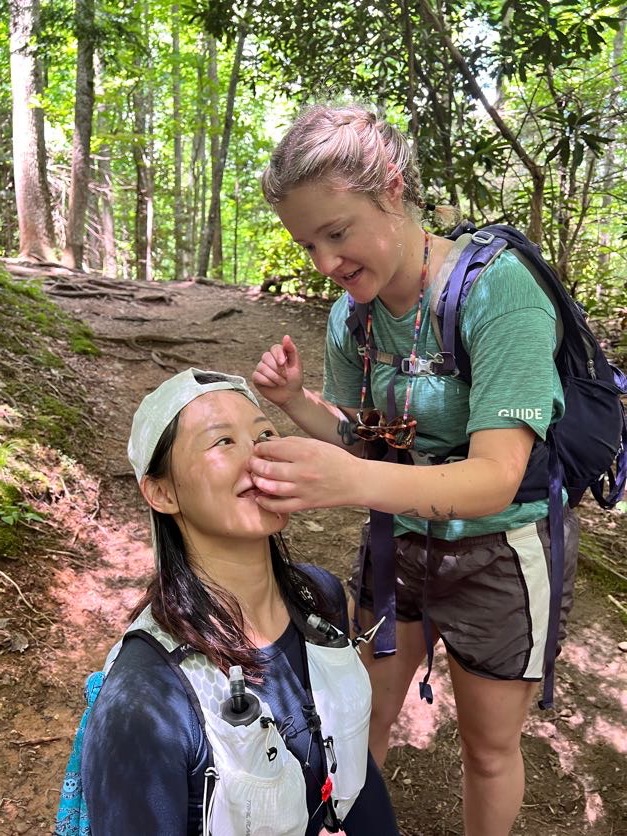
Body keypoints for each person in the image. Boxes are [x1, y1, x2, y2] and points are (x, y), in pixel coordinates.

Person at [249, 104, 579, 836]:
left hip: (502, 551)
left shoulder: (500, 292)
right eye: (307, 245)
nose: (325, 264)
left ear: (392, 190)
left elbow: (494, 475)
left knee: (487, 746)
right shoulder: (352, 318)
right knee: (358, 717)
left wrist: (352, 483)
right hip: (397, 546)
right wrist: (295, 403)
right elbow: (364, 443)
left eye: (335, 234)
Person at [78, 368, 398, 836]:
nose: (258, 454)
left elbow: (350, 766)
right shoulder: (146, 704)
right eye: (222, 441)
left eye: (264, 433)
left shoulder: (320, 599)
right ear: (162, 492)